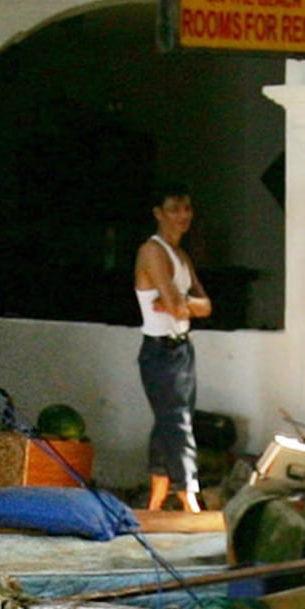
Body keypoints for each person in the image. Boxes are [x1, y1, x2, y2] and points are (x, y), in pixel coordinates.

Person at [133, 185, 209, 512]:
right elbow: (174, 305)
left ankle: (156, 498)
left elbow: (202, 306)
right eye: (175, 209)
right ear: (159, 213)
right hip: (159, 349)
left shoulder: (182, 256)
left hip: (182, 347)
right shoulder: (152, 250)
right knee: (176, 421)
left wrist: (183, 304)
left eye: (187, 209)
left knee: (171, 419)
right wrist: (182, 305)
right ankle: (188, 495)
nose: (183, 216)